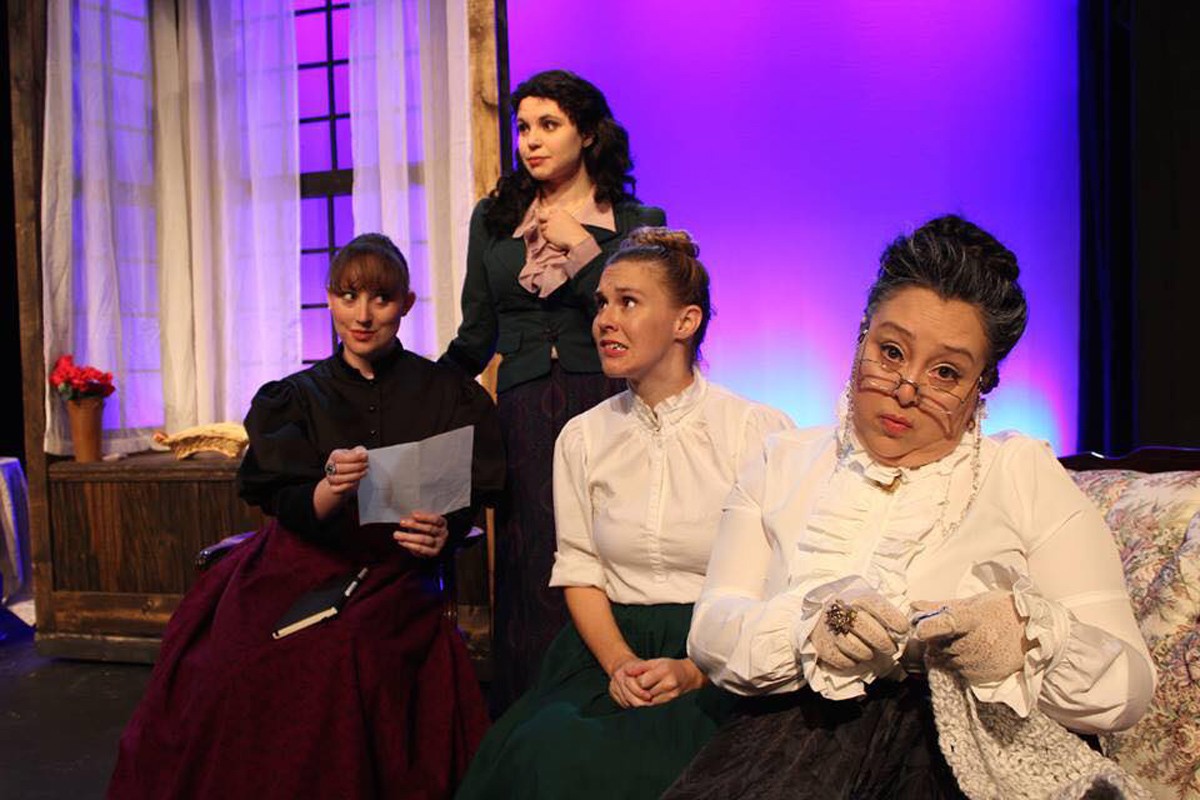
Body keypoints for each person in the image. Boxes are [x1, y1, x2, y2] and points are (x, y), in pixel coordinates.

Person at [666, 216, 1156, 799]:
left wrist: (1024, 643)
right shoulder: (782, 462)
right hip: (794, 745)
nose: (906, 389)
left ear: (983, 385)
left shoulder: (1022, 473)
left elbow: (1130, 687)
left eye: (946, 372)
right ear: (861, 337)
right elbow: (713, 631)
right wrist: (805, 633)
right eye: (891, 351)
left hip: (971, 758)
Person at [109, 234, 505, 799]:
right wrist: (328, 487)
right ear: (329, 298)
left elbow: (469, 496)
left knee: (337, 654)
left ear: (406, 304)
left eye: (381, 299)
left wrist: (445, 529)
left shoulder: (448, 394)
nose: (363, 316)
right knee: (229, 664)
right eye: (348, 296)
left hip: (393, 573)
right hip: (296, 563)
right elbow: (285, 503)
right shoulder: (295, 397)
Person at [455, 228, 794, 799]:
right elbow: (581, 571)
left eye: (628, 303)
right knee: (539, 750)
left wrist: (696, 669)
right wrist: (619, 665)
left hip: (723, 647)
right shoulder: (583, 437)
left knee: (683, 769)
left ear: (685, 321)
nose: (605, 321)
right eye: (602, 304)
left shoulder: (756, 431)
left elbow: (777, 581)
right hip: (609, 645)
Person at [440, 69, 666, 711]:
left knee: (606, 549)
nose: (531, 141)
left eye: (549, 125)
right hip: (522, 411)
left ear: (587, 134)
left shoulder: (636, 220)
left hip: (608, 401)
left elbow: (641, 314)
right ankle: (533, 713)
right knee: (531, 559)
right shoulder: (495, 219)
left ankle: (617, 696)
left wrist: (586, 248)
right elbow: (477, 330)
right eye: (523, 127)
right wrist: (420, 383)